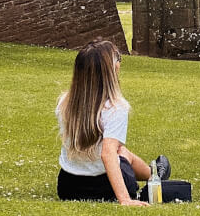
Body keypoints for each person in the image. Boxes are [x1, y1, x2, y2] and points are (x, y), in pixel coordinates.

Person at [56, 39, 152, 206]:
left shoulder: (65, 102)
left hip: (68, 186)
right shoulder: (115, 108)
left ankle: (154, 172)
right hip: (104, 186)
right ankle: (154, 175)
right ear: (112, 70)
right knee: (121, 151)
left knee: (118, 149)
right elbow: (107, 153)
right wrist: (124, 199)